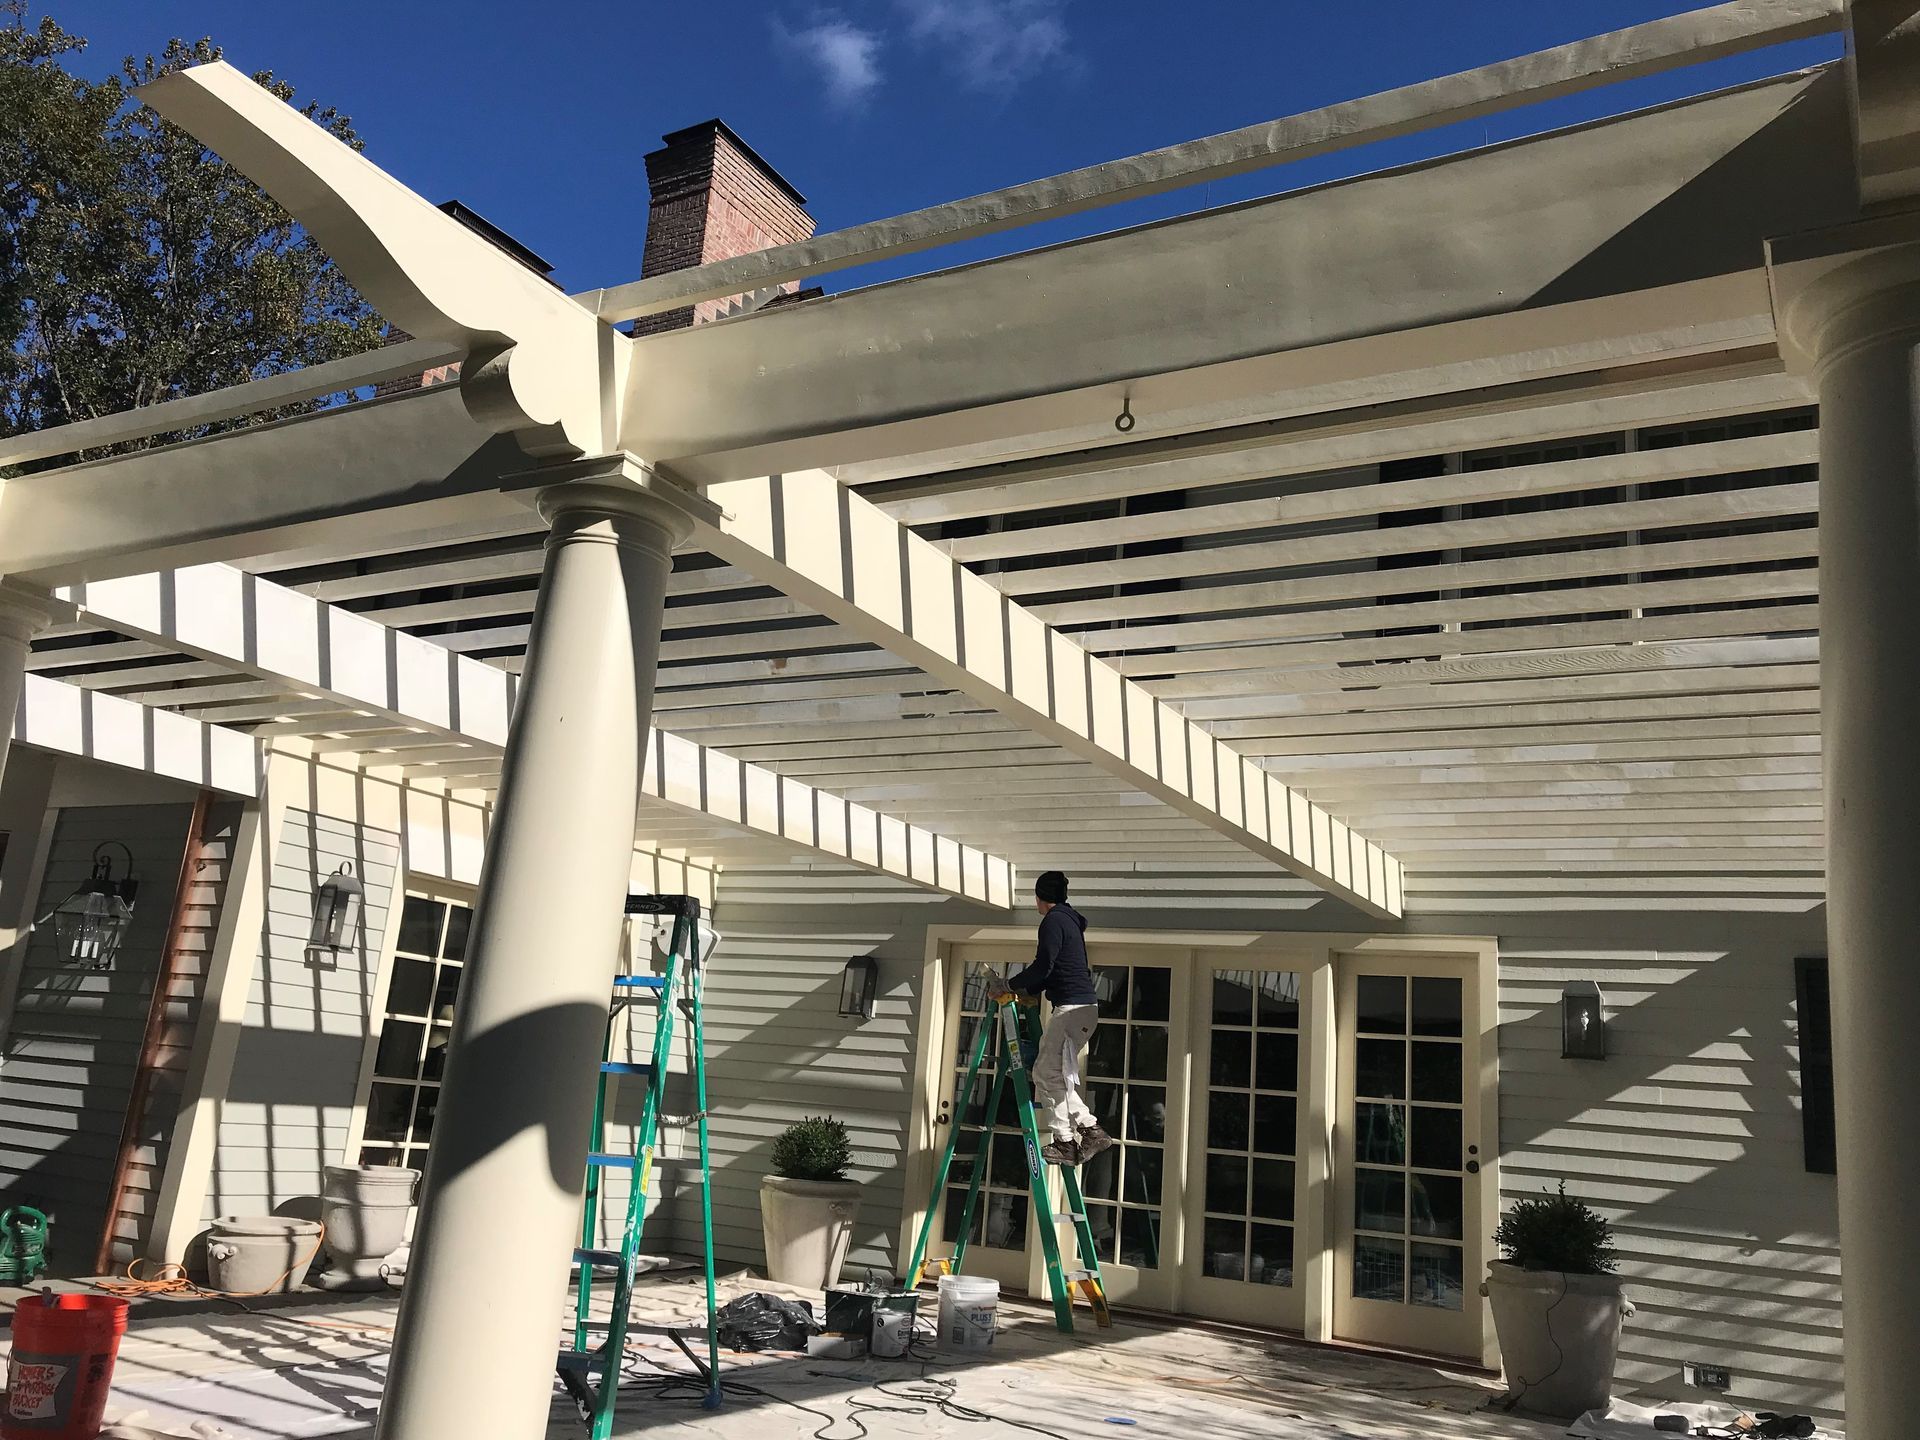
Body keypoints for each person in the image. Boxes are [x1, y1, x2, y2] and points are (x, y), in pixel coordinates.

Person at [995, 871, 1114, 1167]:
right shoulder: (1069, 920)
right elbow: (1053, 968)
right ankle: (1081, 1133)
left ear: (1040, 897)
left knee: (1045, 1074)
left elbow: (1044, 964)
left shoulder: (1053, 921)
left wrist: (1009, 985)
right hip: (1083, 1008)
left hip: (1071, 1008)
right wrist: (1030, 991)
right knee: (1055, 1075)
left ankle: (1073, 1137)